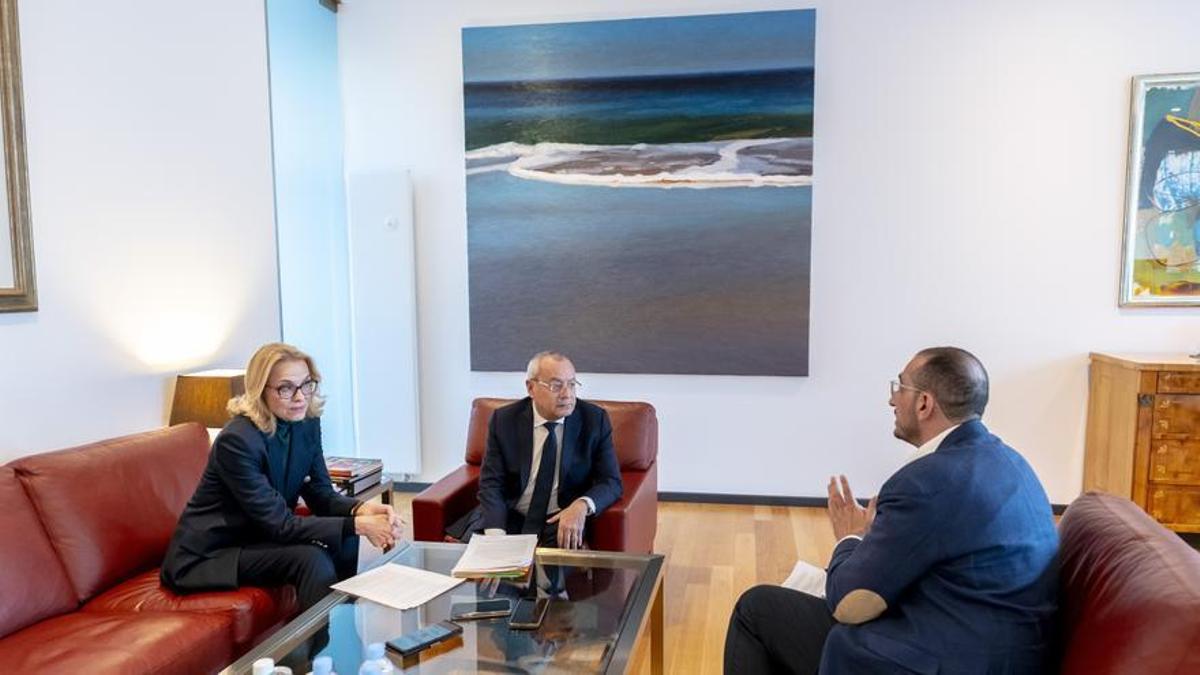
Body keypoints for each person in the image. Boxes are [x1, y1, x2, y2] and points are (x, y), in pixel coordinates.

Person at [724, 347, 1059, 674]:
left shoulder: (926, 482)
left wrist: (851, 538)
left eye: (899, 387)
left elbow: (849, 603)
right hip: (1003, 649)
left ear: (924, 403)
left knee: (755, 611)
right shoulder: (1012, 463)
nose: (891, 399)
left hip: (951, 659)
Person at [161, 342, 401, 611]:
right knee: (312, 558)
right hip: (212, 553)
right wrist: (362, 525)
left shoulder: (306, 423)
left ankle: (342, 630)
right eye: (286, 388)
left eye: (306, 384)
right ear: (260, 390)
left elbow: (322, 495)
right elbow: (279, 525)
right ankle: (320, 650)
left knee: (344, 533)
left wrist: (362, 509)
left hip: (258, 536)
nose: (300, 397)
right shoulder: (237, 441)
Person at [454, 351, 623, 549]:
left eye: (571, 384)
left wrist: (581, 505)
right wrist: (495, 536)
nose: (567, 394)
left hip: (560, 516)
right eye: (556, 385)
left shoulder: (594, 420)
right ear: (531, 388)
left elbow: (611, 482)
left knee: (549, 575)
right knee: (477, 569)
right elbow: (491, 484)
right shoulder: (504, 420)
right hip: (510, 513)